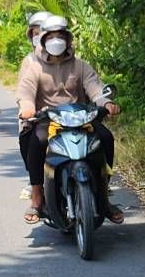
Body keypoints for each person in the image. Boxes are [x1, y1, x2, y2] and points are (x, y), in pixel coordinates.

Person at [16, 16, 122, 226]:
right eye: (51, 36)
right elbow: (26, 91)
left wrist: (106, 103)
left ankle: (103, 195)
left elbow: (95, 87)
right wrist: (27, 107)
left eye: (60, 36)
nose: (56, 40)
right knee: (37, 142)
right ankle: (37, 198)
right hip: (49, 119)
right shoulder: (34, 66)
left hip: (80, 118)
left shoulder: (80, 65)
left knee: (105, 137)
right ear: (43, 39)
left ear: (68, 39)